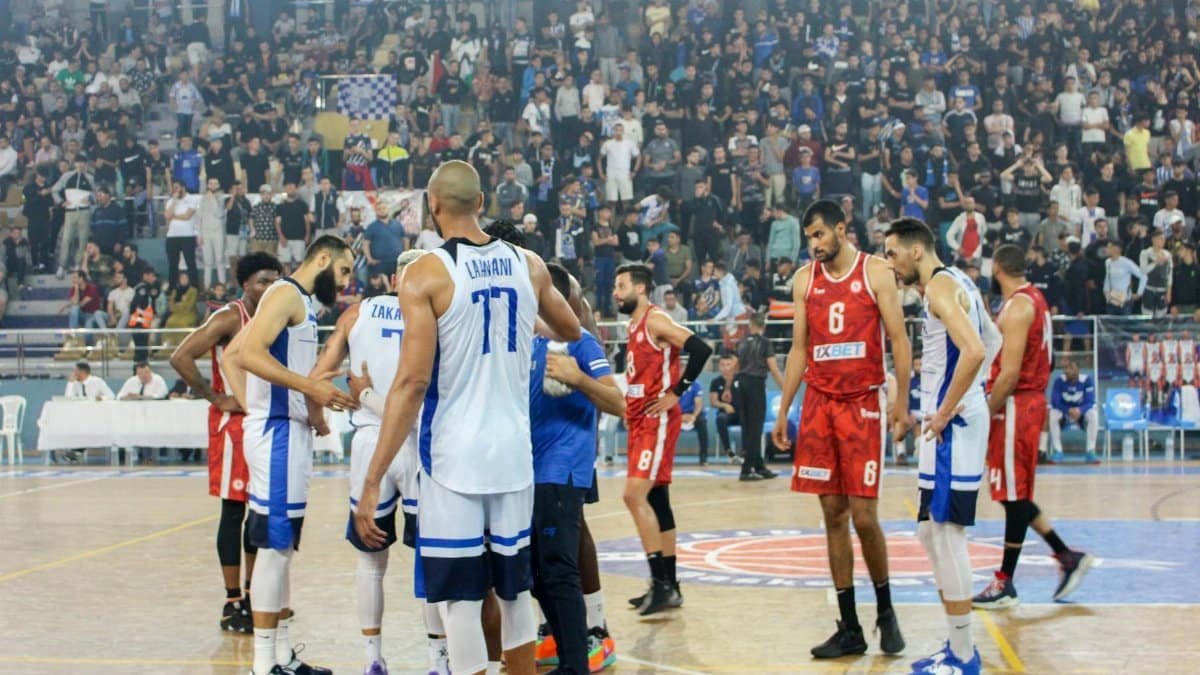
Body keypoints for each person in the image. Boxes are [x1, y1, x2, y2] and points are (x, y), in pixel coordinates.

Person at [353, 161, 581, 675]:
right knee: (516, 593)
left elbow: (411, 385)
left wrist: (372, 481)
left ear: (432, 208)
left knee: (460, 599)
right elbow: (570, 326)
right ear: (482, 203)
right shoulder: (530, 264)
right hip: (513, 455)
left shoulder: (424, 273)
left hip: (454, 459)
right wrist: (520, 318)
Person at [772, 199, 912, 659]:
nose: (812, 244)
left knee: (865, 517)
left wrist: (901, 401)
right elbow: (798, 350)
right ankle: (849, 626)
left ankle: (886, 612)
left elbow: (897, 339)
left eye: (818, 235)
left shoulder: (876, 273)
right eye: (807, 237)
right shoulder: (803, 282)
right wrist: (784, 410)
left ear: (840, 229)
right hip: (819, 405)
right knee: (831, 515)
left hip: (862, 403)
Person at [306, 249, 448, 675]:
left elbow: (317, 375)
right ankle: (438, 661)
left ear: (393, 278)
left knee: (370, 562)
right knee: (432, 555)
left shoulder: (357, 313)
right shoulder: (439, 315)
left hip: (371, 442)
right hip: (421, 441)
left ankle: (373, 661)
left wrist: (330, 409)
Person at [223, 235, 359, 675]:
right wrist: (304, 392)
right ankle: (265, 665)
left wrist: (305, 406)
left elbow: (231, 355)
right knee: (274, 548)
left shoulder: (295, 300)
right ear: (322, 259)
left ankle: (281, 656)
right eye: (342, 271)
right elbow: (245, 354)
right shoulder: (284, 294)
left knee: (283, 547)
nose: (344, 283)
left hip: (285, 430)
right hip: (277, 437)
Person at [881, 217, 1002, 675]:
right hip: (948, 423)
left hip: (951, 426)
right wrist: (968, 398)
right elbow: (992, 339)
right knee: (929, 533)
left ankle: (966, 657)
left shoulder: (937, 290)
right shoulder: (960, 281)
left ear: (916, 251)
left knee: (946, 533)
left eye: (892, 254)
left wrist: (952, 406)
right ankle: (955, 647)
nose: (890, 264)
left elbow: (973, 350)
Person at [974, 245, 1094, 611]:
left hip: (1016, 405)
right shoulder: (1033, 299)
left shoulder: (1019, 307)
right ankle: (1066, 556)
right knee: (1017, 493)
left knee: (1013, 496)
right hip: (1021, 404)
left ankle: (1005, 581)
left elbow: (1009, 373)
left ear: (996, 268)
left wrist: (984, 412)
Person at [169, 251, 283, 634]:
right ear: (245, 283)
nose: (269, 287)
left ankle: (254, 596)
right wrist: (216, 397)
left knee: (259, 514)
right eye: (262, 281)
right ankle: (232, 601)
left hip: (264, 421)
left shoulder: (277, 315)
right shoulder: (229, 317)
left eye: (275, 280)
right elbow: (181, 356)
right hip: (233, 426)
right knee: (234, 514)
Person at [527, 262, 625, 675]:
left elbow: (619, 403)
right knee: (535, 572)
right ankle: (569, 655)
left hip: (562, 471)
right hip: (526, 472)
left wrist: (578, 379)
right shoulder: (528, 343)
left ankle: (575, 664)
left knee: (558, 568)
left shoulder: (581, 343)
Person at [614, 263, 713, 616]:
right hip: (640, 419)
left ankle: (659, 583)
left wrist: (676, 392)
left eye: (621, 285)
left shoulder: (656, 321)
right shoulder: (634, 325)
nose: (616, 292)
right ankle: (670, 586)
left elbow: (701, 349)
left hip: (656, 421)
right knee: (658, 500)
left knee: (632, 495)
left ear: (640, 288)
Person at [733, 312, 783, 480]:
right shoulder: (765, 342)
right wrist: (785, 387)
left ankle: (759, 465)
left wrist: (727, 387)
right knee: (755, 428)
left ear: (750, 325)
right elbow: (774, 368)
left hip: (741, 384)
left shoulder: (741, 343)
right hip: (755, 385)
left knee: (748, 427)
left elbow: (735, 365)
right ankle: (746, 469)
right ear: (764, 326)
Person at [1048, 360, 1101, 463]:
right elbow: (1055, 402)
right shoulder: (1059, 381)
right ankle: (1058, 452)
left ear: (1077, 371)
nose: (1067, 371)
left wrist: (1080, 410)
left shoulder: (1086, 380)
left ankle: (1090, 452)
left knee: (1093, 414)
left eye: (1071, 368)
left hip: (1081, 415)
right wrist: (1068, 410)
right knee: (1053, 414)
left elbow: (1090, 401)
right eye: (1066, 369)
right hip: (1065, 415)